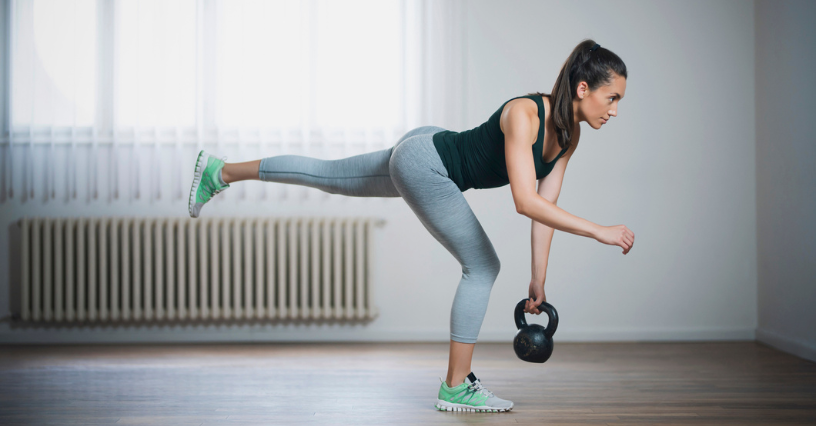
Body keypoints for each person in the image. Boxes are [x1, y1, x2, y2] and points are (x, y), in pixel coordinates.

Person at [187, 38, 634, 413]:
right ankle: (456, 387)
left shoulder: (568, 139)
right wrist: (599, 230)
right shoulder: (526, 114)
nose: (615, 111)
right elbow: (525, 201)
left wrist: (538, 280)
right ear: (582, 88)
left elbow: (545, 211)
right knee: (482, 266)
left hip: (426, 150)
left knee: (327, 174)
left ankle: (220, 171)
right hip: (428, 164)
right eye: (612, 98)